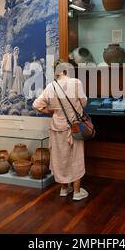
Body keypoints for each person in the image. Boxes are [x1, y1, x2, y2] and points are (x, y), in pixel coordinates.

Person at [33, 60, 88, 201]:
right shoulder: (76, 83)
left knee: (60, 157)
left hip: (57, 127)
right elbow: (84, 102)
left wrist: (50, 111)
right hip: (73, 127)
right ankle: (76, 192)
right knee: (75, 158)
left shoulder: (51, 86)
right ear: (65, 71)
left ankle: (64, 189)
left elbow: (36, 105)